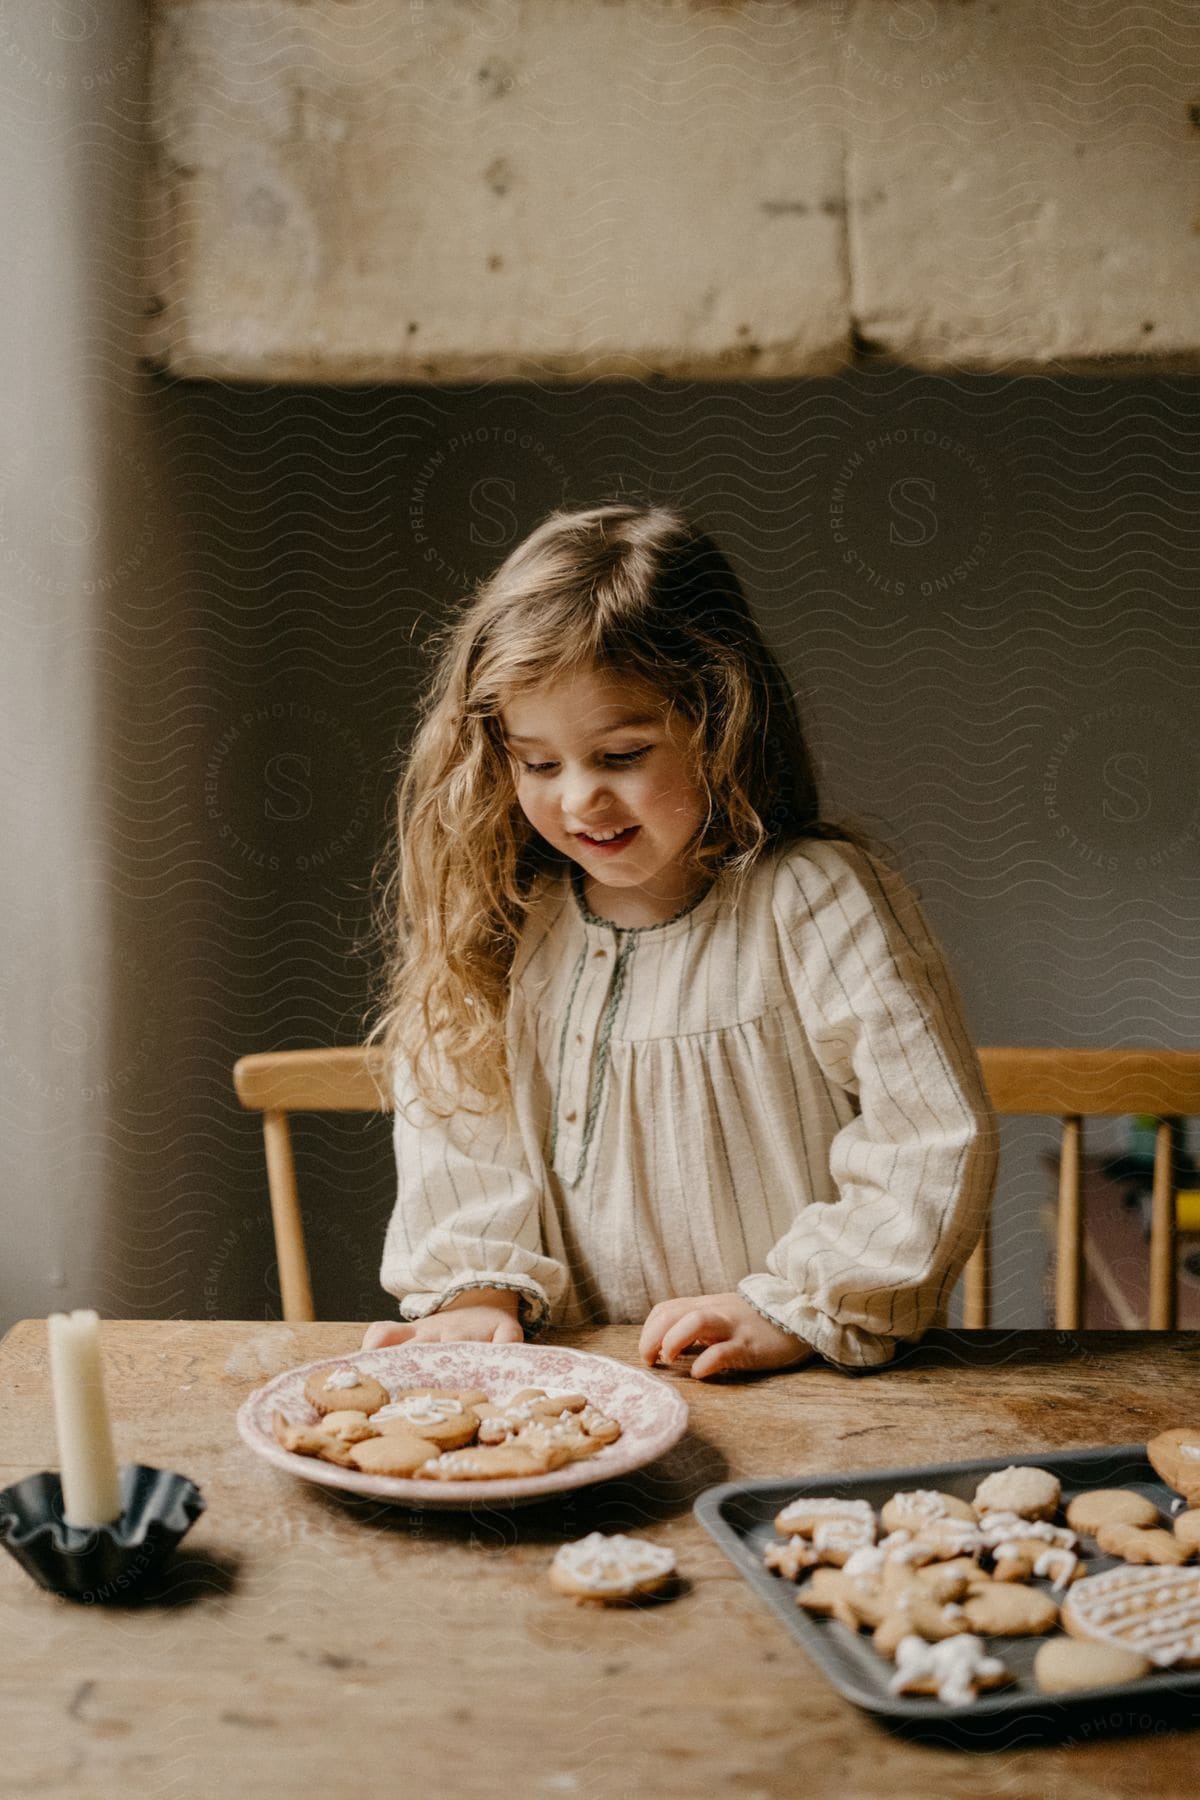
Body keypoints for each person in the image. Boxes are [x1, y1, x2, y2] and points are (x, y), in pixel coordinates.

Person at [361, 502, 997, 1377]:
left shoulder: (811, 900)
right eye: (539, 763)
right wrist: (478, 1291)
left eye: (621, 754)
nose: (579, 798)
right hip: (580, 1384)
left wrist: (796, 1306)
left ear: (722, 719)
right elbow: (460, 1123)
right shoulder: (509, 915)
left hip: (792, 1382)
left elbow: (929, 1136)